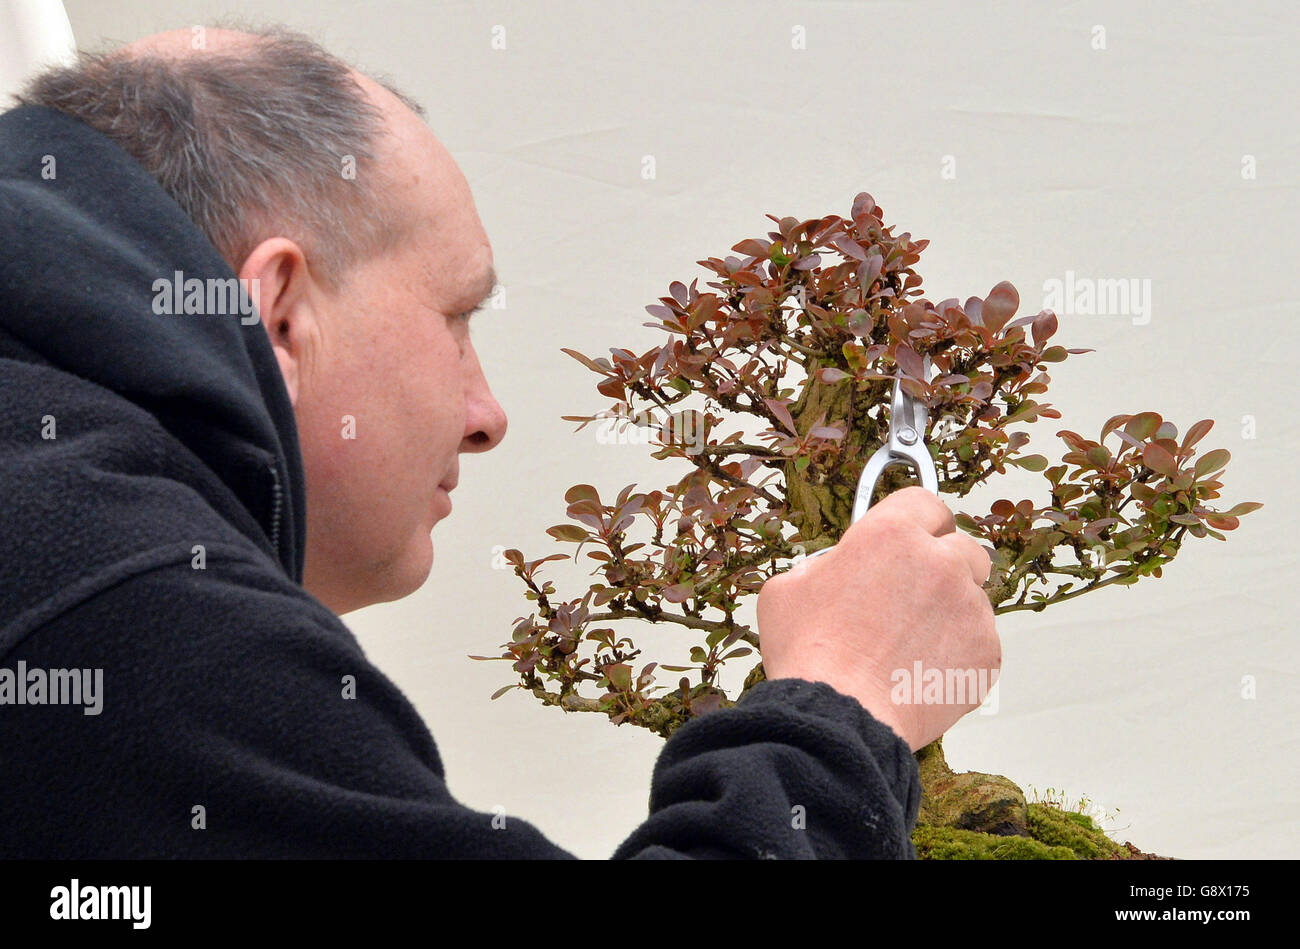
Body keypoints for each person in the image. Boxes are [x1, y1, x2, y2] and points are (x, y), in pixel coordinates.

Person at [0, 24, 999, 858]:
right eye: (455, 317)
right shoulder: (141, 615)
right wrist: (842, 704)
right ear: (280, 310)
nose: (486, 415)